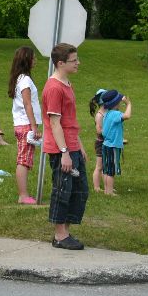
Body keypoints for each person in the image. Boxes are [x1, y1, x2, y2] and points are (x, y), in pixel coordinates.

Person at [41, 43, 89, 251]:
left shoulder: (67, 83)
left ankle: (65, 232)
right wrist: (65, 153)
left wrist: (79, 146)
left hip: (72, 146)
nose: (78, 63)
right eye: (74, 60)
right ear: (61, 63)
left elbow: (70, 120)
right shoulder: (54, 88)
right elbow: (54, 123)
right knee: (63, 190)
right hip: (61, 149)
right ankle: (60, 235)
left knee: (79, 191)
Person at [8, 46, 42, 205]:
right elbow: (28, 104)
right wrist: (34, 127)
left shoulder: (19, 78)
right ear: (26, 60)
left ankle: (24, 194)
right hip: (26, 124)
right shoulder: (25, 80)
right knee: (23, 160)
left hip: (22, 124)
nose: (35, 61)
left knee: (25, 159)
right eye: (33, 58)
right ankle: (23, 195)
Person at [100, 90, 132, 196]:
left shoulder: (107, 114)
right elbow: (127, 116)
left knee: (106, 169)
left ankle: (106, 189)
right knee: (111, 171)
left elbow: (105, 132)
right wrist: (129, 104)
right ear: (116, 103)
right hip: (113, 147)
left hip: (106, 145)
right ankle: (109, 192)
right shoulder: (115, 114)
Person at [89, 88, 107, 193]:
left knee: (106, 167)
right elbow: (99, 131)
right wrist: (109, 131)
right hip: (101, 143)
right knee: (99, 166)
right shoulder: (99, 115)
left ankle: (106, 186)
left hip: (107, 142)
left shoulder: (107, 113)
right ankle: (96, 187)